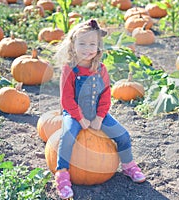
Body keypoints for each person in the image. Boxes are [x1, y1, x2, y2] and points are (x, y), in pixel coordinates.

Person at [54, 19, 146, 199]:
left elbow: (105, 95)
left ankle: (128, 165)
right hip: (74, 113)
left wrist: (99, 117)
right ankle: (62, 174)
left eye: (92, 44)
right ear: (73, 46)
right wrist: (80, 118)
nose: (87, 48)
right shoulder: (69, 70)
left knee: (123, 135)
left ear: (98, 47)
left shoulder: (101, 69)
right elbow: (66, 99)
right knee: (67, 136)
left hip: (97, 113)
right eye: (82, 44)